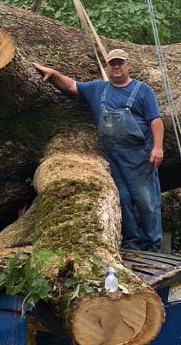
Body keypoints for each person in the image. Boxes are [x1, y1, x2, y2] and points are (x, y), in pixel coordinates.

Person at [33, 49, 164, 252]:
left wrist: (157, 147)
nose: (117, 66)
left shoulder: (142, 90)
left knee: (147, 201)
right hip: (112, 157)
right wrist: (54, 74)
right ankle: (131, 243)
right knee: (123, 199)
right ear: (107, 68)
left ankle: (152, 246)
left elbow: (155, 120)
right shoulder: (98, 89)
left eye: (120, 62)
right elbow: (70, 85)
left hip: (139, 157)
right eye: (113, 63)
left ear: (127, 65)